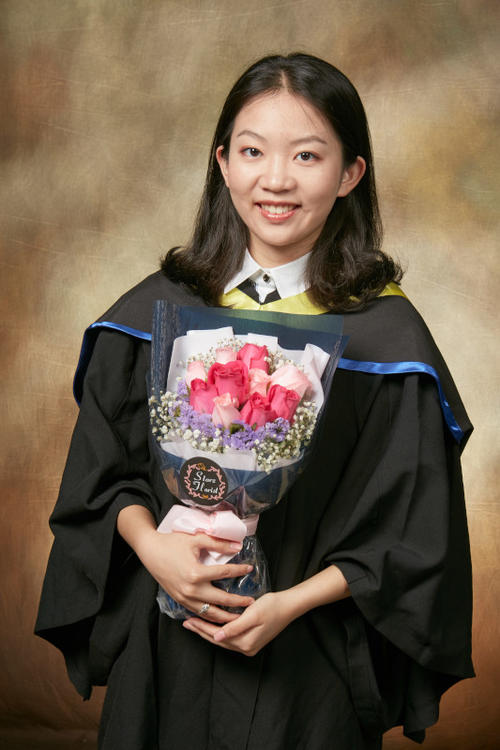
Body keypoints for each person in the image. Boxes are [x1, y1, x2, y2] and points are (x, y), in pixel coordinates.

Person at [35, 53, 473, 750]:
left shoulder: (386, 338)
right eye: (251, 151)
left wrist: (288, 604)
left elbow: (410, 529)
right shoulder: (155, 312)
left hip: (306, 661)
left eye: (307, 155)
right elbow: (100, 473)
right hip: (167, 642)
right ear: (222, 163)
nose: (276, 180)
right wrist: (154, 550)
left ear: (350, 174)